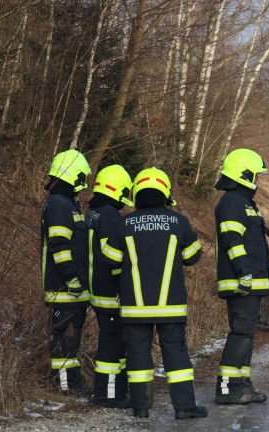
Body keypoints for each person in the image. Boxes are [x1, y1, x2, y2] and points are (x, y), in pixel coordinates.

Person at [102, 167, 207, 420]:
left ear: (137, 193)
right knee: (176, 351)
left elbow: (110, 259)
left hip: (134, 306)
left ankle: (141, 408)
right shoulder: (179, 221)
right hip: (170, 305)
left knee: (137, 353)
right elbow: (193, 256)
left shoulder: (124, 223)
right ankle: (184, 407)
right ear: (165, 194)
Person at [213, 148, 269, 405]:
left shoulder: (244, 202)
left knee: (246, 334)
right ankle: (228, 389)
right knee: (240, 334)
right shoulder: (232, 202)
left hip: (250, 282)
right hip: (242, 283)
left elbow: (251, 240)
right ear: (244, 174)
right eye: (256, 175)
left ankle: (242, 385)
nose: (258, 180)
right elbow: (232, 239)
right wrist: (245, 272)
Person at [40, 149, 92, 393]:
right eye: (82, 177)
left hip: (73, 286)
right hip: (64, 287)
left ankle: (72, 382)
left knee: (72, 337)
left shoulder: (66, 203)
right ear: (73, 175)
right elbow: (59, 245)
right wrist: (71, 277)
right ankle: (64, 386)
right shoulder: (60, 205)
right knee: (63, 336)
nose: (84, 184)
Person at [86, 164, 134, 408]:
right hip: (108, 291)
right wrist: (123, 282)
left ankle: (113, 390)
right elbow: (111, 256)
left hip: (95, 288)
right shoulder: (110, 216)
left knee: (111, 339)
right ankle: (108, 394)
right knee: (112, 342)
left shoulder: (93, 211)